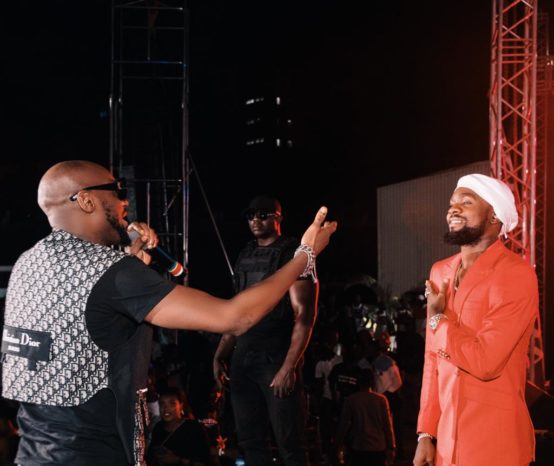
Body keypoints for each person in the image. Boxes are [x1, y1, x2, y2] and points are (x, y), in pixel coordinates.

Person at [0, 161, 337, 466]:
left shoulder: (27, 265)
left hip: (32, 454)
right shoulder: (113, 273)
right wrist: (304, 256)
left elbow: (88, 324)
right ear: (86, 200)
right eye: (116, 191)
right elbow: (234, 317)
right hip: (93, 454)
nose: (125, 202)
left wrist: (129, 258)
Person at [413, 174, 538, 466]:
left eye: (466, 202)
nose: (452, 209)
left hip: (495, 443)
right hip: (446, 444)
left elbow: (485, 361)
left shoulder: (515, 274)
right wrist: (426, 433)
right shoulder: (440, 271)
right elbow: (432, 360)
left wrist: (438, 319)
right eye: (452, 203)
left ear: (494, 216)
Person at [212, 196, 318, 466]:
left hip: (276, 355)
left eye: (262, 215)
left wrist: (289, 367)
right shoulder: (246, 253)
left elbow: (304, 316)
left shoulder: (294, 254)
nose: (255, 220)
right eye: (250, 216)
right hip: (244, 356)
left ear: (278, 218)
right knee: (250, 442)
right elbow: (238, 310)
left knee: (290, 444)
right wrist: (220, 354)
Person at [335, 369, 395, 466]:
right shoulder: (381, 400)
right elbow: (387, 425)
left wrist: (338, 443)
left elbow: (344, 424)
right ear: (372, 382)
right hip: (378, 447)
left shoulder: (351, 400)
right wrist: (391, 446)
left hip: (359, 446)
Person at [147, 388, 211, 466]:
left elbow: (204, 461)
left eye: (172, 403)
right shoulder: (158, 428)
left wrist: (178, 460)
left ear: (181, 405)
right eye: (162, 404)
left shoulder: (193, 429)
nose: (166, 408)